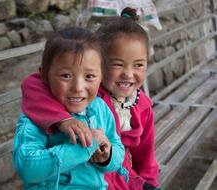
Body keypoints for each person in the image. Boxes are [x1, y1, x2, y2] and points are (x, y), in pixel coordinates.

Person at [20, 9, 160, 190]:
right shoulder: (91, 96)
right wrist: (64, 120)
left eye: (139, 65)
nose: (128, 73)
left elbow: (144, 156)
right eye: (117, 64)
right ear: (101, 65)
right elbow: (33, 84)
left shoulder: (139, 107)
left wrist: (148, 184)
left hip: (118, 176)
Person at [13, 27, 126, 190]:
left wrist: (107, 156)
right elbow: (27, 168)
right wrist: (86, 147)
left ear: (101, 77)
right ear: (44, 75)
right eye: (66, 76)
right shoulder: (35, 117)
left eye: (89, 76)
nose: (78, 87)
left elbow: (117, 149)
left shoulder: (100, 108)